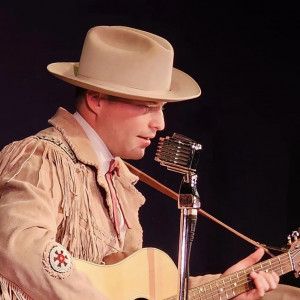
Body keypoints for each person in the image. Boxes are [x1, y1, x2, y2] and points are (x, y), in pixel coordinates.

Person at [0, 25, 298, 300]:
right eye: (148, 107)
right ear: (96, 99)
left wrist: (226, 285)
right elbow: (19, 248)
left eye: (162, 107)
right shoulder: (41, 157)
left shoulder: (118, 180)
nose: (160, 123)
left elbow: (136, 290)